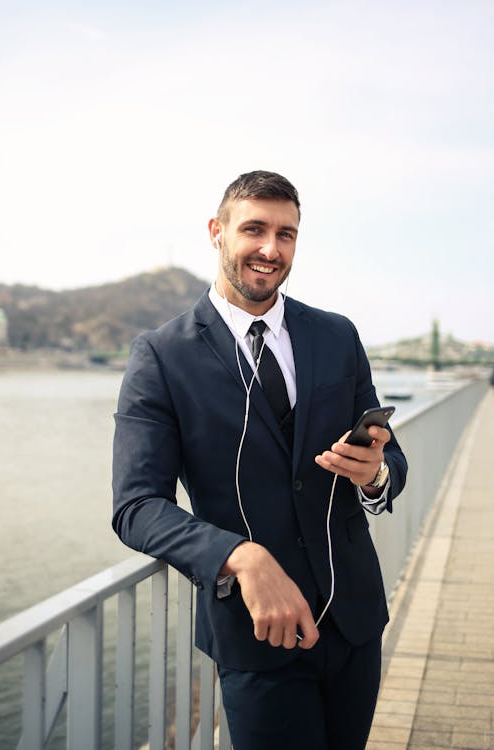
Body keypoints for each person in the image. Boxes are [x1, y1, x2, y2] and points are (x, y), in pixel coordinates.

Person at [112, 170, 408, 750]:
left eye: (287, 234)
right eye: (254, 230)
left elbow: (388, 457)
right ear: (216, 232)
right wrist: (237, 556)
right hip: (256, 635)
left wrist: (375, 476)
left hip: (354, 623)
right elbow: (135, 506)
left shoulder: (337, 335)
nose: (271, 250)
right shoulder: (160, 356)